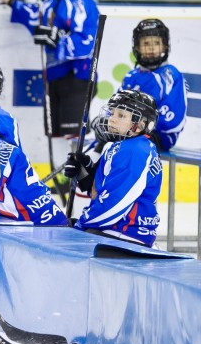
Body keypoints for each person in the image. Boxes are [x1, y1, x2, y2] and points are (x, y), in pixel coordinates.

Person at [0, 0, 100, 137]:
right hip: (55, 76)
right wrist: (10, 1)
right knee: (56, 134)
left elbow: (86, 41)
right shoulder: (51, 2)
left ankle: (79, 165)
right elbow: (36, 21)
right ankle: (58, 166)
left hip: (76, 77)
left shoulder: (81, 4)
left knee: (74, 135)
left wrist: (58, 39)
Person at [64, 90, 163, 246]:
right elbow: (103, 191)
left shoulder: (135, 151)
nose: (112, 119)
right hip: (115, 229)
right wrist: (85, 171)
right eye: (112, 113)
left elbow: (116, 203)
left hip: (125, 234)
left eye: (121, 116)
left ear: (140, 125)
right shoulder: (122, 146)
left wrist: (79, 225)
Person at [120, 19, 187, 151]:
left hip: (161, 135)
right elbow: (118, 107)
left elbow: (172, 119)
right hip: (132, 131)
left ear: (165, 46)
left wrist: (136, 126)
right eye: (146, 43)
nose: (151, 47)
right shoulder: (131, 76)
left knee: (126, 145)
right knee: (104, 140)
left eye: (156, 43)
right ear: (137, 47)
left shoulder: (170, 75)